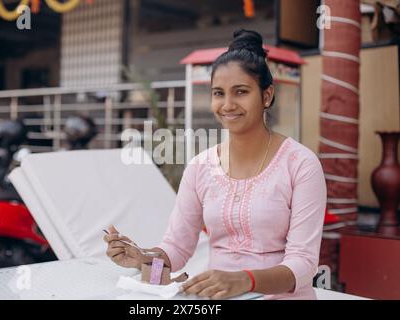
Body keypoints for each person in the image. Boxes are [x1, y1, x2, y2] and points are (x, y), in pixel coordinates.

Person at [104, 29, 327, 300]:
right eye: (218, 93)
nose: (228, 104)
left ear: (266, 96)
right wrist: (144, 261)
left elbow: (303, 264)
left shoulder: (300, 164)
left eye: (241, 92)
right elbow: (177, 248)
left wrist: (246, 280)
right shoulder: (201, 167)